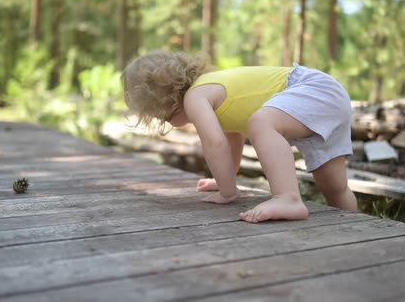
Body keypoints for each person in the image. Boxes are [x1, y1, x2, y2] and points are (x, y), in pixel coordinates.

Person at [122, 50, 357, 223]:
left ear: (166, 102)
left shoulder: (195, 97)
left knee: (261, 121)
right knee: (334, 187)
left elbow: (214, 144)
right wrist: (225, 178)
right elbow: (231, 141)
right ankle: (353, 226)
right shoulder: (215, 94)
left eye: (157, 116)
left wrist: (228, 192)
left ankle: (288, 197)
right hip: (329, 98)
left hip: (312, 88)